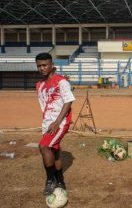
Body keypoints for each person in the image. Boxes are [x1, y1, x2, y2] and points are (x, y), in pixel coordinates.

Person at [35, 53, 75, 196]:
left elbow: (68, 101)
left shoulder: (61, 81)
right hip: (48, 123)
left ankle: (50, 180)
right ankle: (60, 181)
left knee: (44, 146)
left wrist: (57, 122)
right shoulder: (39, 85)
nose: (42, 68)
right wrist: (47, 123)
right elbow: (44, 106)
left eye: (45, 65)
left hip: (60, 122)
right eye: (39, 65)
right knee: (54, 152)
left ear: (52, 65)